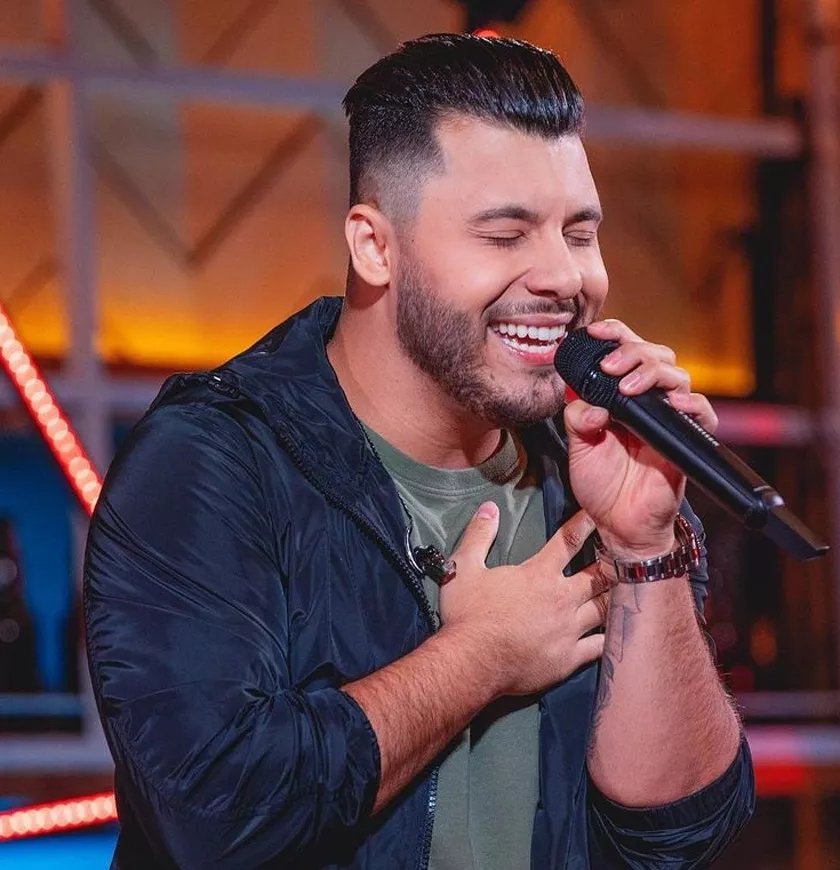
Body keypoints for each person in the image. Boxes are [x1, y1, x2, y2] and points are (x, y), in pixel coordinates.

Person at [84, 33, 754, 869]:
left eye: (580, 234)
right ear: (375, 247)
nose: (563, 276)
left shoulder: (596, 468)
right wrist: (481, 656)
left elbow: (679, 834)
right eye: (505, 234)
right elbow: (215, 816)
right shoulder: (214, 461)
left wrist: (648, 547)